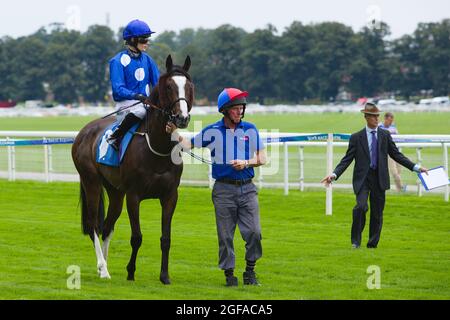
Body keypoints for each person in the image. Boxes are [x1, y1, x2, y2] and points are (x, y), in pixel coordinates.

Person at [170, 88, 267, 286]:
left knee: (254, 233)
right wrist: (174, 133)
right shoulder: (212, 131)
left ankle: (250, 271)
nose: (240, 111)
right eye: (236, 108)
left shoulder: (250, 129)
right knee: (225, 236)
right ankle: (229, 274)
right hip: (223, 191)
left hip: (248, 189)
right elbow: (188, 145)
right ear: (225, 110)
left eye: (242, 108)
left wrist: (246, 163)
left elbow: (262, 158)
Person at [321, 103, 428, 249]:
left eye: (378, 116)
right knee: (361, 207)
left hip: (379, 178)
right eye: (373, 116)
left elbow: (396, 155)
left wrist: (416, 167)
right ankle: (355, 242)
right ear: (366, 117)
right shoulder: (356, 137)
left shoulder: (385, 135)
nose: (377, 119)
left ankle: (372, 245)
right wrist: (334, 174)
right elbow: (347, 159)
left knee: (377, 213)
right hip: (363, 179)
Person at [107, 19, 160, 150]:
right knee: (141, 110)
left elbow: (158, 84)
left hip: (146, 103)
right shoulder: (117, 61)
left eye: (148, 39)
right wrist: (137, 96)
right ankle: (115, 136)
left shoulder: (148, 60)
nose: (146, 43)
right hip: (126, 105)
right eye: (143, 39)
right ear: (132, 40)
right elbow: (118, 89)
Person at [379, 112, 404, 192]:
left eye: (392, 120)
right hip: (388, 153)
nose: (390, 122)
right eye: (389, 120)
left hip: (397, 151)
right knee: (394, 172)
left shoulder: (393, 126)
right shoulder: (380, 127)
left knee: (399, 171)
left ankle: (398, 189)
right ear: (385, 119)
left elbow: (398, 138)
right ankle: (401, 188)